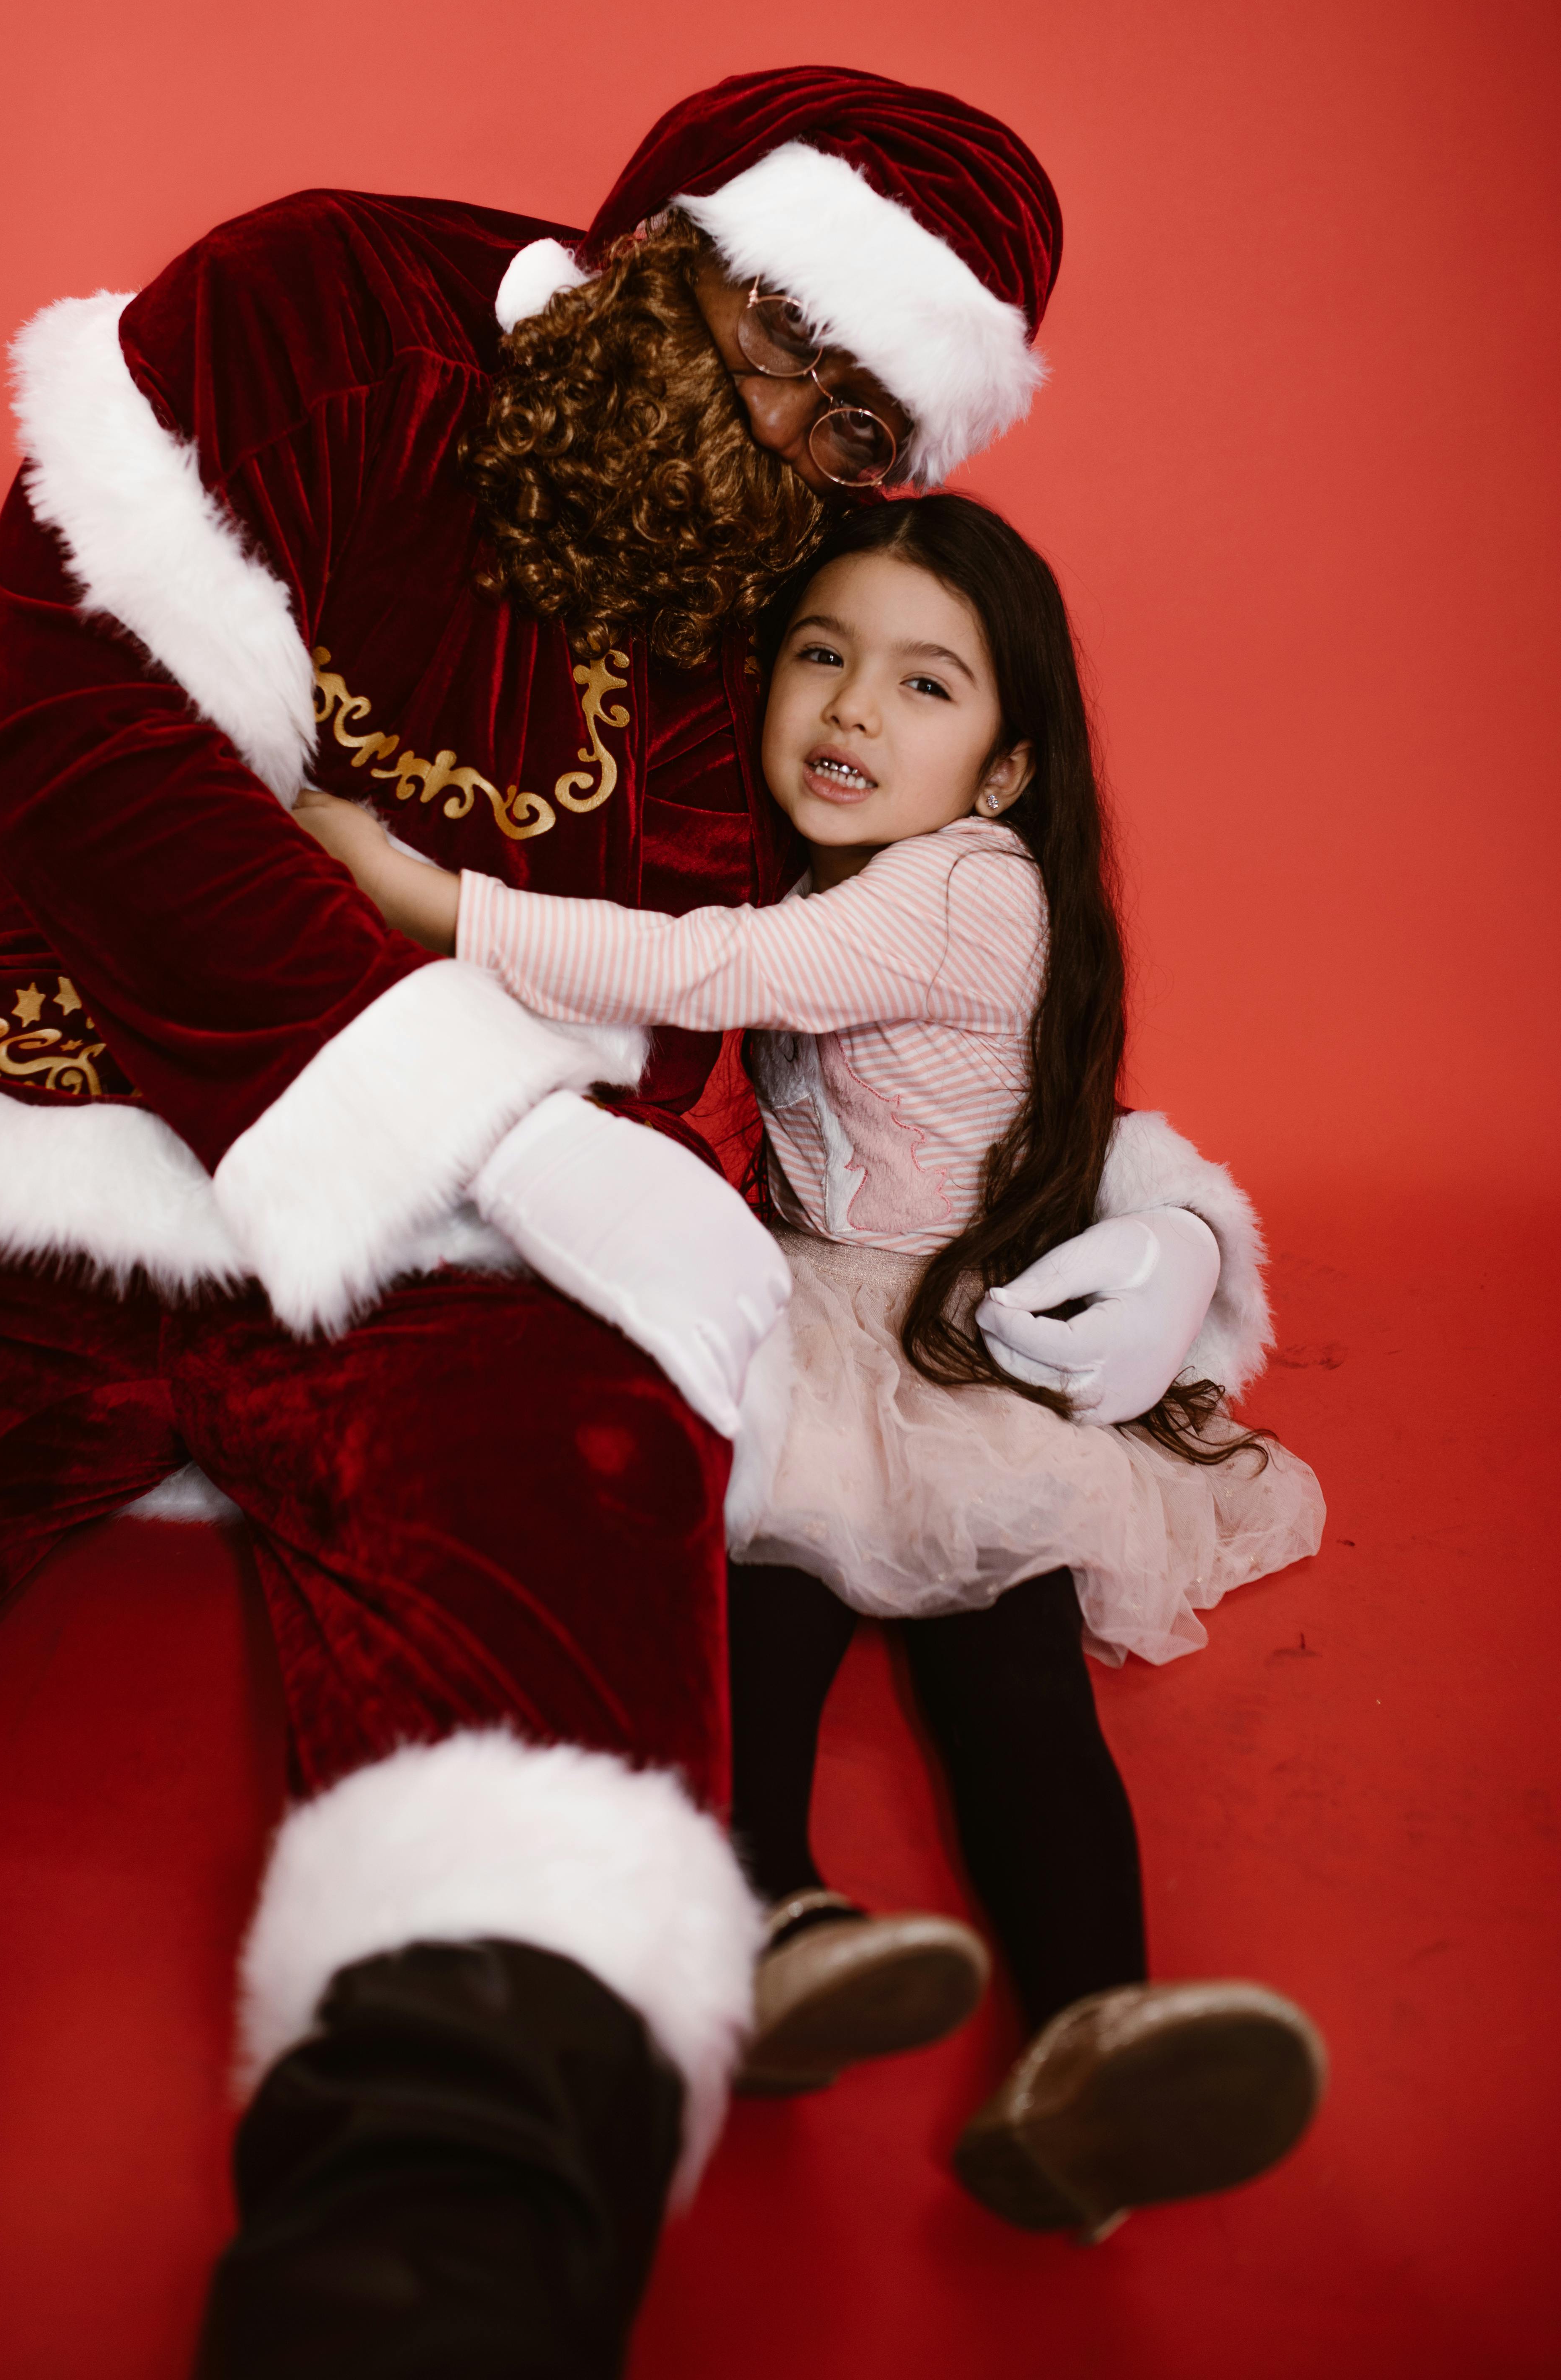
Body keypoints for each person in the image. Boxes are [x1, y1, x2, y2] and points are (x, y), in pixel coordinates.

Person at [0, 69, 1267, 2369]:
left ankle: (436, 2271)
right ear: (661, 243)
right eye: (779, 344)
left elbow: (888, 956)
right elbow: (92, 752)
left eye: (858, 422)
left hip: (514, 1264)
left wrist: (1150, 1213)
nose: (792, 438)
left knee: (565, 1763)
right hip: (55, 1087)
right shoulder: (321, 312)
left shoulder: (790, 602)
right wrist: (490, 1126)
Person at [296, 492, 1328, 2242]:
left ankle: (1099, 2042)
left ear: (1004, 771)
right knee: (757, 1624)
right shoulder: (855, 864)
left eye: (925, 688)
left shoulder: (954, 886)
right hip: (821, 1313)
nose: (850, 710)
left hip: (932, 1336)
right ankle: (779, 1929)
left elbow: (716, 971)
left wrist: (422, 890)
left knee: (1006, 1679)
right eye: (820, 656)